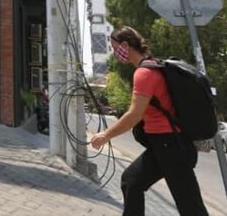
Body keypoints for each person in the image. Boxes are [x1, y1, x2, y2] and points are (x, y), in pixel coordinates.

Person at [89, 27, 209, 216]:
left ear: (125, 45)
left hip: (171, 146)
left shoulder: (144, 73)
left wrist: (105, 135)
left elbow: (134, 115)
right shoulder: (153, 67)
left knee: (191, 207)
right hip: (161, 146)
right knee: (131, 182)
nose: (114, 52)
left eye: (114, 47)